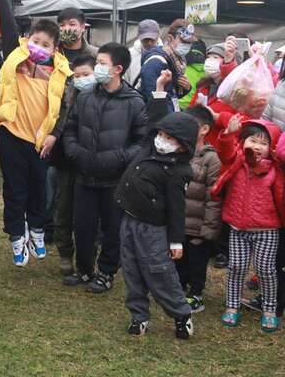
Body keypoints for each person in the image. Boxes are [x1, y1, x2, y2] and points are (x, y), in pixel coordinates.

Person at [0, 0, 72, 266]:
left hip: (41, 141)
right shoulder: (17, 57)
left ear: (55, 49)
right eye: (36, 41)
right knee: (14, 189)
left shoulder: (62, 71)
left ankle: (36, 229)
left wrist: (54, 135)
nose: (39, 47)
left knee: (39, 188)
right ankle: (16, 236)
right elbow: (7, 25)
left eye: (46, 45)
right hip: (12, 135)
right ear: (28, 39)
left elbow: (65, 108)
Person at [62, 43, 148, 293]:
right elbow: (71, 127)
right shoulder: (86, 96)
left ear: (118, 69)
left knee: (112, 228)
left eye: (102, 63)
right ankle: (84, 268)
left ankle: (107, 271)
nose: (97, 68)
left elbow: (141, 142)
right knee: (83, 225)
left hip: (115, 179)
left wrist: (119, 158)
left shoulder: (134, 102)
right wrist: (74, 151)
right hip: (84, 173)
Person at [115, 112, 198, 339]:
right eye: (161, 134)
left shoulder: (178, 172)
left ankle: (181, 314)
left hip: (152, 230)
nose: (162, 140)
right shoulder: (148, 148)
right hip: (129, 220)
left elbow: (176, 209)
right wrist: (160, 88)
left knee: (158, 273)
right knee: (131, 270)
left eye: (170, 138)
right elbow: (154, 116)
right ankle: (138, 316)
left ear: (183, 146)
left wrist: (175, 241)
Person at [214, 115, 283, 333]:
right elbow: (224, 151)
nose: (257, 146)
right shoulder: (237, 161)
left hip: (267, 229)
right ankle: (232, 306)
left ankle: (270, 309)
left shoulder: (274, 170)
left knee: (265, 269)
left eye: (264, 143)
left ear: (271, 148)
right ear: (243, 142)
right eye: (252, 140)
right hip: (237, 228)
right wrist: (229, 133)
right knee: (236, 267)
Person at [47, 55, 96, 274]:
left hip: (92, 164)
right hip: (65, 161)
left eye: (86, 75)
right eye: (77, 76)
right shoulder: (66, 96)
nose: (82, 79)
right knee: (63, 209)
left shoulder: (102, 98)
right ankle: (65, 254)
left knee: (88, 215)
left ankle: (88, 257)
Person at [177, 106, 222, 313]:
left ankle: (196, 294)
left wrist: (208, 229)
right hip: (178, 222)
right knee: (178, 259)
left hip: (198, 226)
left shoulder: (211, 159)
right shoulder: (178, 153)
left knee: (196, 261)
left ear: (204, 129)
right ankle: (178, 288)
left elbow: (213, 197)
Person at [139, 19, 198, 114]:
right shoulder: (156, 62)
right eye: (183, 42)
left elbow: (170, 94)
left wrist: (186, 88)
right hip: (159, 121)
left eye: (189, 43)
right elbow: (152, 100)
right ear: (170, 38)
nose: (187, 46)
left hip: (170, 117)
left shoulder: (176, 62)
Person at [126, 19, 161, 87]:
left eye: (152, 39)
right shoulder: (129, 54)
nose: (149, 43)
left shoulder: (167, 54)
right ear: (138, 36)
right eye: (146, 39)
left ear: (158, 35)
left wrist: (186, 88)